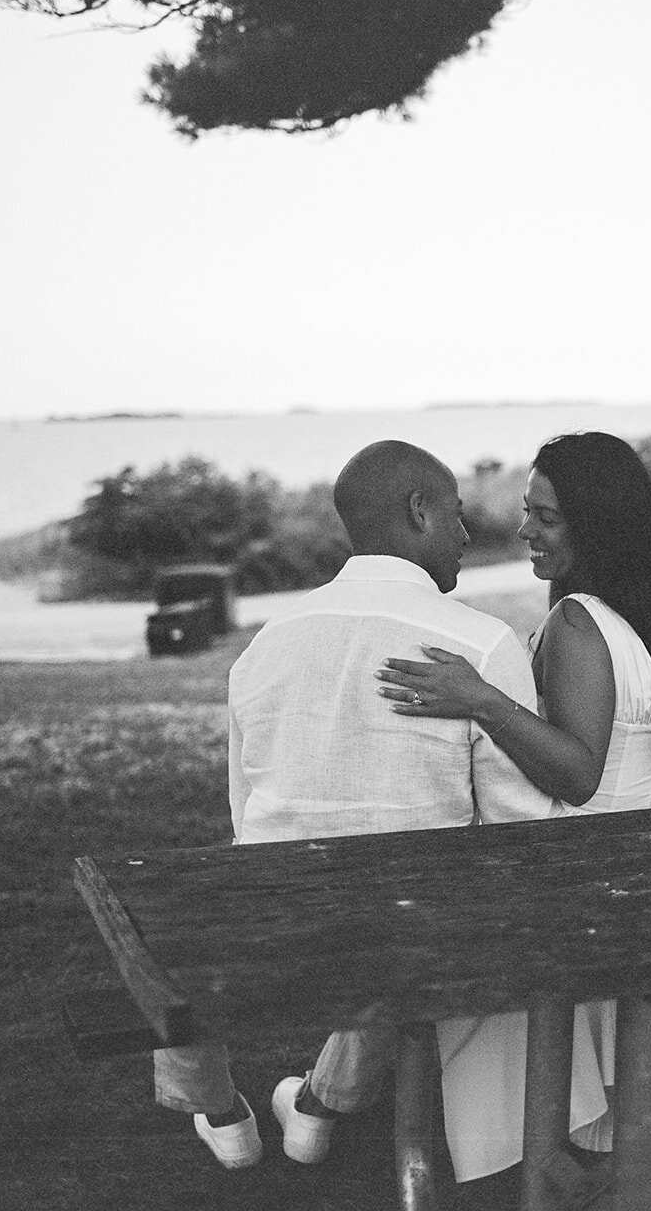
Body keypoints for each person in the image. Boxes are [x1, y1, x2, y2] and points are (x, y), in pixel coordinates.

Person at [154, 439, 609, 1174]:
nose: (467, 536)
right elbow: (518, 829)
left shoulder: (265, 647)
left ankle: (222, 1112)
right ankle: (320, 1104)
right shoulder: (477, 645)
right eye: (458, 516)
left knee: (204, 929)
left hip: (270, 926)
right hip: (416, 942)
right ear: (419, 510)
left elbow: (248, 809)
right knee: (408, 914)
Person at [378, 430, 651, 1163]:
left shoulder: (577, 624)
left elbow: (576, 773)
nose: (525, 529)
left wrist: (481, 699)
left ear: (597, 525)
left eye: (547, 517)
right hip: (637, 870)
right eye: (529, 511)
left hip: (585, 881)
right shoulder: (642, 614)